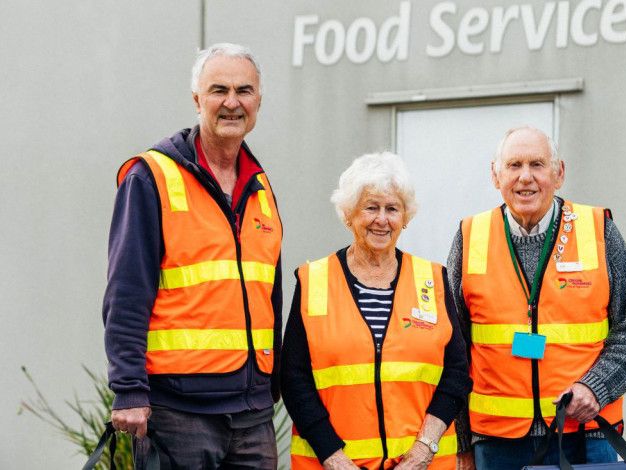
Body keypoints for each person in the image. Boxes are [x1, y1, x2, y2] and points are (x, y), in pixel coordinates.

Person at [103, 43, 282, 469]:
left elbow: (268, 293)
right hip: (179, 410)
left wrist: (269, 386)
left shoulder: (260, 187)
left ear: (259, 100)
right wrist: (128, 389)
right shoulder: (152, 177)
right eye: (219, 90)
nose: (232, 102)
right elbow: (126, 293)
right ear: (197, 99)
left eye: (244, 91)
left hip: (253, 412)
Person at [447, 126, 626, 469]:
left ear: (559, 173)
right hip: (497, 445)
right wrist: (463, 442)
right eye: (514, 165)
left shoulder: (598, 230)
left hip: (585, 434)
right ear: (495, 175)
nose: (526, 177)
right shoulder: (470, 237)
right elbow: (454, 348)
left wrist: (594, 388)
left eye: (537, 164)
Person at [281, 152, 472, 469]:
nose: (381, 219)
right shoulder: (314, 280)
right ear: (349, 214)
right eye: (371, 207)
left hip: (421, 465)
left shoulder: (431, 279)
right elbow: (294, 379)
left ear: (405, 216)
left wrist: (424, 449)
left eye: (392, 209)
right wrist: (334, 458)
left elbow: (456, 372)